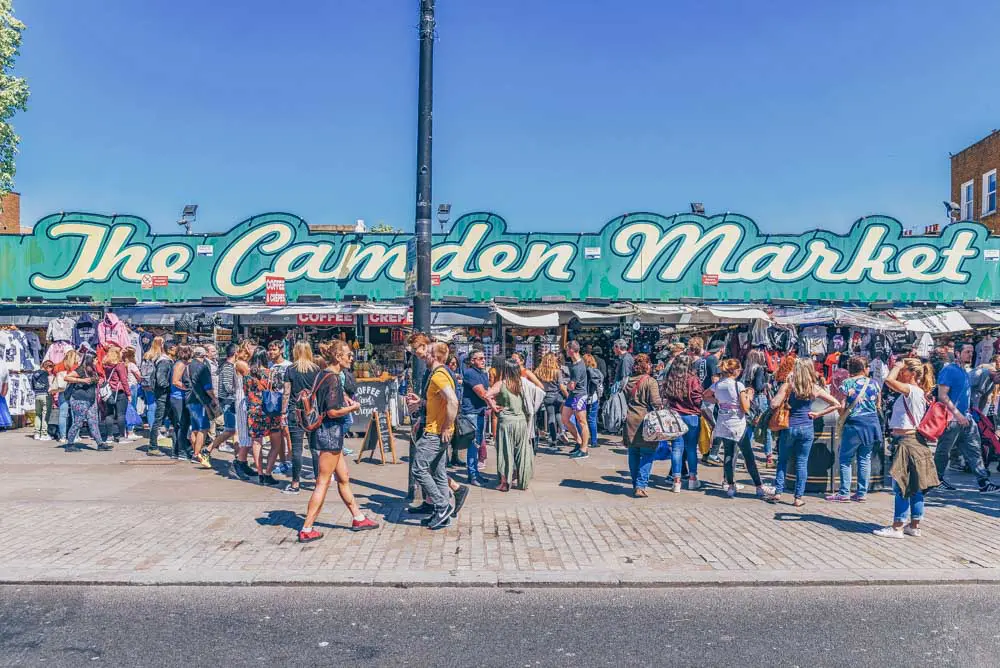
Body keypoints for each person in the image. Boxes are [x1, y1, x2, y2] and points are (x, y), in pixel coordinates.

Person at [298, 340, 378, 542]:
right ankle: (307, 528)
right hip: (329, 435)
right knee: (322, 482)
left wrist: (344, 398)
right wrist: (353, 407)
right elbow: (332, 411)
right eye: (349, 355)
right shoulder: (333, 378)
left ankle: (358, 517)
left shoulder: (323, 374)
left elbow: (328, 397)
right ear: (338, 357)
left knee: (343, 478)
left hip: (328, 434)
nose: (352, 358)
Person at [874, 358, 941, 538]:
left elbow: (888, 381)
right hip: (916, 441)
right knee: (916, 486)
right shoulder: (919, 392)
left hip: (907, 441)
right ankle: (914, 525)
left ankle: (897, 527)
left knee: (902, 485)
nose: (900, 373)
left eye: (904, 371)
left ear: (911, 373)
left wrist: (896, 365)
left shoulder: (911, 390)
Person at [768, 357, 841, 506]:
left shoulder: (788, 386)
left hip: (789, 427)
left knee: (782, 460)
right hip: (807, 427)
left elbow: (773, 404)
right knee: (802, 462)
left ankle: (778, 492)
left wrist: (779, 399)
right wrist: (818, 414)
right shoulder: (814, 388)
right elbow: (836, 404)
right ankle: (798, 498)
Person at [405, 340, 460, 530]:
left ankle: (442, 505)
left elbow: (453, 401)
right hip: (438, 430)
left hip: (435, 432)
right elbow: (441, 402)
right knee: (437, 472)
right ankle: (441, 513)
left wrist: (446, 426)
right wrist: (421, 402)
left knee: (418, 469)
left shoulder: (439, 376)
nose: (424, 355)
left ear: (434, 356)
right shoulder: (441, 374)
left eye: (427, 352)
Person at [934, 344, 1000, 494]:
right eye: (967, 352)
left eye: (972, 352)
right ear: (957, 353)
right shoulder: (949, 370)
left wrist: (970, 415)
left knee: (974, 450)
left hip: (966, 419)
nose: (970, 354)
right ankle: (936, 479)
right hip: (952, 419)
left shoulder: (964, 371)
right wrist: (958, 415)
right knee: (944, 450)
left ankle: (983, 482)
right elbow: (942, 395)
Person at [704, 358, 765, 499]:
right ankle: (759, 486)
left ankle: (730, 485)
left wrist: (719, 401)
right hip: (738, 424)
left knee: (728, 454)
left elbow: (705, 395)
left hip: (723, 423)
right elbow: (745, 408)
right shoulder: (738, 385)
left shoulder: (718, 384)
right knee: (748, 456)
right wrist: (748, 395)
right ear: (735, 371)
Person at [827, 356, 882, 503]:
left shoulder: (846, 383)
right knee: (865, 459)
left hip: (854, 424)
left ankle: (844, 492)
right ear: (864, 369)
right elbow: (878, 405)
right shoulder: (875, 384)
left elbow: (841, 405)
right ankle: (861, 492)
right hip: (871, 423)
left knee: (845, 458)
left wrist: (843, 416)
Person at [486, 357, 534, 491]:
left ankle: (504, 483)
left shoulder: (501, 384)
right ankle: (522, 481)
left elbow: (487, 395)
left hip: (506, 422)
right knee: (522, 452)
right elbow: (539, 390)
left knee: (505, 452)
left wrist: (494, 406)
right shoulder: (522, 383)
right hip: (521, 422)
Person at [622, 353, 662, 497]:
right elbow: (656, 403)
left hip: (630, 420)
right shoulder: (650, 381)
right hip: (646, 422)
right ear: (647, 365)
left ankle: (635, 484)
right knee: (647, 454)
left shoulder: (627, 381)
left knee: (633, 453)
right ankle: (640, 485)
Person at [661, 354, 703, 492]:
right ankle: (692, 479)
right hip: (691, 416)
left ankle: (676, 481)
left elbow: (665, 396)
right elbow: (698, 399)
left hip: (675, 415)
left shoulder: (670, 379)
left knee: (676, 448)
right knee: (691, 449)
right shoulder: (693, 380)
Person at [244, 348, 282, 486]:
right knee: (276, 443)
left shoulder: (247, 374)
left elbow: (246, 392)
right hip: (270, 411)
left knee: (256, 442)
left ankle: (259, 473)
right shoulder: (272, 373)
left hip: (254, 411)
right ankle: (268, 473)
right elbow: (278, 390)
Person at [64, 352, 110, 452]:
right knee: (78, 422)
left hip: (91, 400)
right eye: (96, 359)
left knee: (93, 421)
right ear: (90, 360)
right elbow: (66, 377)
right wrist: (83, 381)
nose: (97, 361)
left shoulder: (93, 370)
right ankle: (70, 444)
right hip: (79, 399)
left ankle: (100, 443)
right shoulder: (81, 370)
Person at [460, 347, 490, 486]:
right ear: (472, 361)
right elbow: (482, 393)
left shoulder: (483, 373)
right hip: (472, 413)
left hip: (480, 411)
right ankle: (472, 475)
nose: (484, 360)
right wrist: (494, 403)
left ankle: (475, 473)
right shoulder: (470, 373)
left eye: (484, 357)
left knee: (477, 444)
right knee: (473, 444)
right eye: (480, 358)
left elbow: (487, 392)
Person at [186, 346, 219, 469]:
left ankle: (194, 451)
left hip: (189, 399)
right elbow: (208, 387)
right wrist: (214, 398)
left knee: (194, 427)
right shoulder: (203, 367)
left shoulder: (188, 366)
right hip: (201, 400)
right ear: (204, 356)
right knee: (203, 428)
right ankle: (197, 454)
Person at [741, 348, 774, 466]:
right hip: (759, 399)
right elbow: (759, 386)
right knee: (765, 428)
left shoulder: (746, 370)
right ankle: (769, 457)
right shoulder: (759, 369)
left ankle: (747, 458)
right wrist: (767, 384)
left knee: (749, 428)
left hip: (748, 399)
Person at [266, 340, 293, 475]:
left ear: (281, 350)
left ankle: (291, 460)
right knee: (277, 434)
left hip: (285, 403)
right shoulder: (269, 366)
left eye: (274, 349)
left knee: (287, 433)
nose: (271, 352)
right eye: (270, 349)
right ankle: (283, 462)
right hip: (273, 403)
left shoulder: (289, 366)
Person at [561, 341, 591, 460]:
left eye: (567, 349)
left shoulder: (578, 366)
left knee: (582, 421)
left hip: (579, 395)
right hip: (573, 395)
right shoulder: (574, 364)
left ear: (571, 350)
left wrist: (565, 384)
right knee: (565, 418)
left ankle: (584, 449)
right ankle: (578, 441)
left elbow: (572, 386)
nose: (566, 351)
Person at [207, 344, 238, 457]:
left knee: (232, 430)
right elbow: (227, 385)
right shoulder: (228, 366)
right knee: (231, 430)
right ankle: (207, 450)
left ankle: (238, 458)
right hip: (229, 402)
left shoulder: (227, 365)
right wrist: (240, 390)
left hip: (228, 401)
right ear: (235, 353)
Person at [143, 337, 172, 456]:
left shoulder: (153, 356)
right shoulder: (163, 361)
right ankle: (153, 446)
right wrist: (170, 387)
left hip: (156, 391)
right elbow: (161, 380)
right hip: (162, 394)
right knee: (158, 419)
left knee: (160, 418)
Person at [100, 345, 131, 445]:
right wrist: (128, 393)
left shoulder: (106, 365)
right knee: (121, 414)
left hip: (109, 391)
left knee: (109, 414)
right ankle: (121, 437)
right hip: (119, 391)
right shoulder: (119, 365)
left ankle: (109, 436)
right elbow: (124, 380)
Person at [168, 345, 193, 460]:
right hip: (178, 398)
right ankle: (181, 451)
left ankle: (176, 451)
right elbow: (175, 381)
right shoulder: (180, 364)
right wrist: (187, 388)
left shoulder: (180, 363)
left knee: (179, 425)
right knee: (182, 425)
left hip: (177, 397)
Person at [535, 353, 563, 445]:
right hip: (557, 395)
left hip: (547, 395)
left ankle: (553, 438)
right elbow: (561, 385)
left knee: (551, 416)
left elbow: (535, 382)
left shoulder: (539, 371)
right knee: (558, 413)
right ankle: (562, 431)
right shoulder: (557, 371)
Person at [53, 349, 79, 444]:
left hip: (62, 390)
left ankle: (63, 437)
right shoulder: (76, 366)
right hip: (74, 391)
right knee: (75, 414)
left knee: (62, 414)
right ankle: (75, 436)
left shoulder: (59, 365)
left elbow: (54, 372)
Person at [582, 353, 604, 449]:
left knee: (582, 420)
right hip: (594, 397)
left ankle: (583, 440)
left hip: (583, 398)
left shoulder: (584, 372)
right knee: (592, 420)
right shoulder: (597, 372)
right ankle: (594, 441)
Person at [122, 347, 142, 441]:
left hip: (125, 386)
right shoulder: (132, 365)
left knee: (126, 409)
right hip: (132, 387)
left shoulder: (122, 364)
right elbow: (139, 376)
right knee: (132, 408)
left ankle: (125, 430)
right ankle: (130, 431)